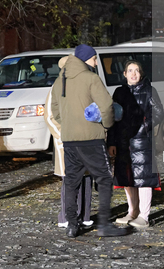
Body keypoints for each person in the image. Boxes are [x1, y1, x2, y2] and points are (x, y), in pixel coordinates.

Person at [49, 44, 127, 238]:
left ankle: (72, 225)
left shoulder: (61, 81)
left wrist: (68, 125)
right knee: (104, 179)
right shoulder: (91, 78)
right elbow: (107, 106)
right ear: (86, 59)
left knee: (71, 182)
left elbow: (55, 110)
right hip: (91, 138)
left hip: (69, 140)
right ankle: (103, 224)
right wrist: (107, 126)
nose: (95, 62)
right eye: (94, 58)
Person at [107, 61, 164, 229]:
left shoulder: (149, 91)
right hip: (123, 142)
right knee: (127, 178)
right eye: (130, 71)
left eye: (137, 71)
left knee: (144, 178)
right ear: (124, 74)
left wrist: (144, 127)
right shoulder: (119, 92)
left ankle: (144, 216)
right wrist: (111, 142)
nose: (134, 74)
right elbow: (113, 118)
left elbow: (159, 113)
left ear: (141, 74)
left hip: (142, 142)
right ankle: (132, 211)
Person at [44, 55, 93, 230]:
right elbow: (49, 116)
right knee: (71, 179)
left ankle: (85, 215)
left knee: (87, 177)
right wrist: (62, 136)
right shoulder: (57, 87)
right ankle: (66, 216)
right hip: (67, 142)